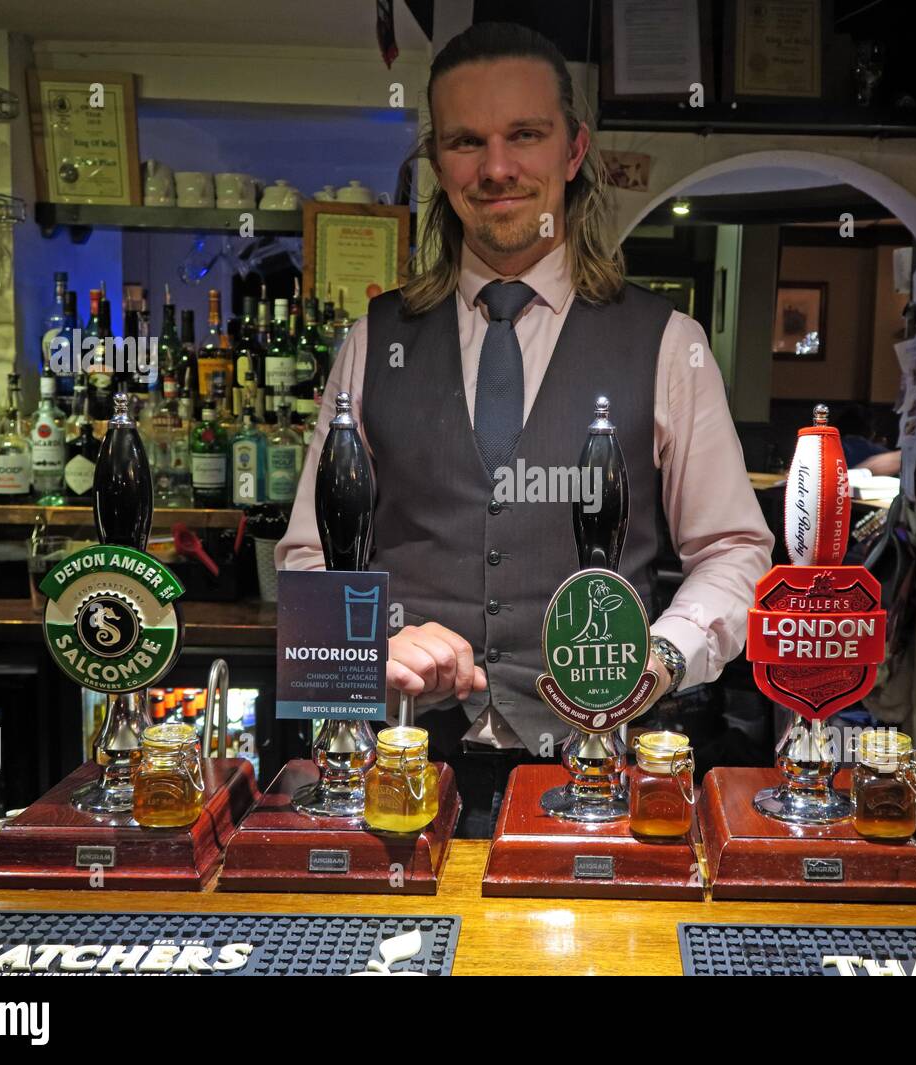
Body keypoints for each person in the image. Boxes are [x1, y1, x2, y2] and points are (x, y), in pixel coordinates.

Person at [277, 22, 773, 835]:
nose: (497, 168)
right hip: (405, 770)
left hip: (603, 780)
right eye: (468, 142)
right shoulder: (374, 341)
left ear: (574, 151)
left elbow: (734, 550)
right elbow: (308, 553)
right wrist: (372, 649)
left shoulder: (667, 344)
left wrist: (662, 656)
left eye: (525, 136)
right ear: (439, 163)